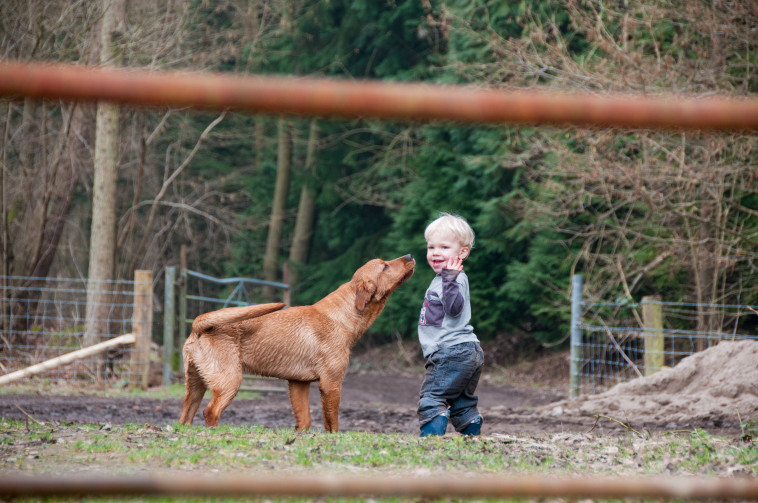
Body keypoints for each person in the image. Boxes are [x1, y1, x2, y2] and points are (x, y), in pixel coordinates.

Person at [417, 212, 484, 437]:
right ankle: (471, 437)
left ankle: (430, 442)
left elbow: (454, 308)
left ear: (462, 252)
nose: (435, 252)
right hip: (465, 350)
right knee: (462, 404)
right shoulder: (445, 279)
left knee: (433, 398)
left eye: (444, 247)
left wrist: (449, 278)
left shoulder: (453, 278)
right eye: (431, 247)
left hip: (450, 351)